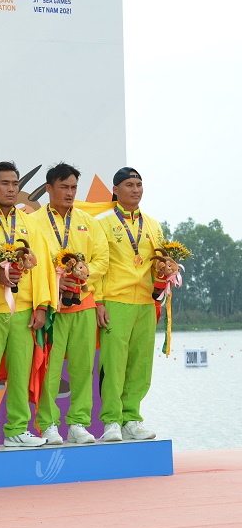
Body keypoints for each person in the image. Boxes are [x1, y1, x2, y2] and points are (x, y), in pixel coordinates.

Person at [0, 163, 51, 450]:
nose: (12, 189)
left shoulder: (30, 222)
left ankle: (17, 429)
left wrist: (42, 306)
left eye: (15, 183)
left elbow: (42, 267)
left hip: (24, 308)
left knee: (20, 371)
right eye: (5, 183)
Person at [29, 163, 109, 445]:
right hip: (53, 306)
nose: (70, 192)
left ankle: (78, 423)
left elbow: (102, 260)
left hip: (83, 303)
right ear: (48, 189)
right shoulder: (33, 222)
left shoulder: (89, 222)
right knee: (50, 369)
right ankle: (48, 424)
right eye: (63, 187)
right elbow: (31, 263)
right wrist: (55, 280)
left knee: (83, 367)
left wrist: (82, 274)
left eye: (74, 187)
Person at [95, 167, 161, 442]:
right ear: (115, 189)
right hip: (116, 301)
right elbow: (98, 265)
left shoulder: (153, 224)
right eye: (129, 185)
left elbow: (158, 264)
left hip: (145, 302)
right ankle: (112, 420)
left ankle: (132, 418)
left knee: (141, 363)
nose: (136, 190)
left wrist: (165, 276)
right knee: (114, 364)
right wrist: (98, 301)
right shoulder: (102, 223)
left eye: (139, 185)